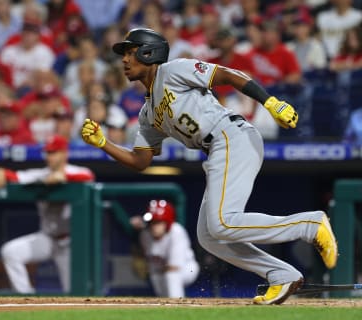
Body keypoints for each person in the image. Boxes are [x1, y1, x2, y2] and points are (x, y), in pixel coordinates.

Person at [81, 28, 338, 305]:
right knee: (209, 236)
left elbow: (228, 75)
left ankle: (310, 224)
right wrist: (103, 144)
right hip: (216, 148)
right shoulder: (148, 113)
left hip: (231, 134)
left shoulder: (174, 70)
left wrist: (269, 102)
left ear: (149, 52)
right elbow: (141, 161)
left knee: (222, 222)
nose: (125, 60)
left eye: (131, 52)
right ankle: (281, 275)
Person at [0, 134, 95, 294]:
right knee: (10, 252)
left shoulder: (79, 172)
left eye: (53, 152)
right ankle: (26, 299)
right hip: (47, 238)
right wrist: (1, 172)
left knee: (75, 293)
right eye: (47, 152)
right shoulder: (40, 174)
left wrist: (64, 177)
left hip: (71, 244)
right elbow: (15, 176)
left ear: (64, 154)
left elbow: (88, 177)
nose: (49, 157)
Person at [130, 199, 200, 298]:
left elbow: (174, 267)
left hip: (186, 268)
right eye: (152, 222)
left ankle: (176, 305)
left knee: (171, 275)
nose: (154, 226)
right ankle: (165, 306)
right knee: (155, 276)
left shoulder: (176, 232)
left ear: (167, 223)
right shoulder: (145, 235)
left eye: (158, 222)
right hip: (160, 269)